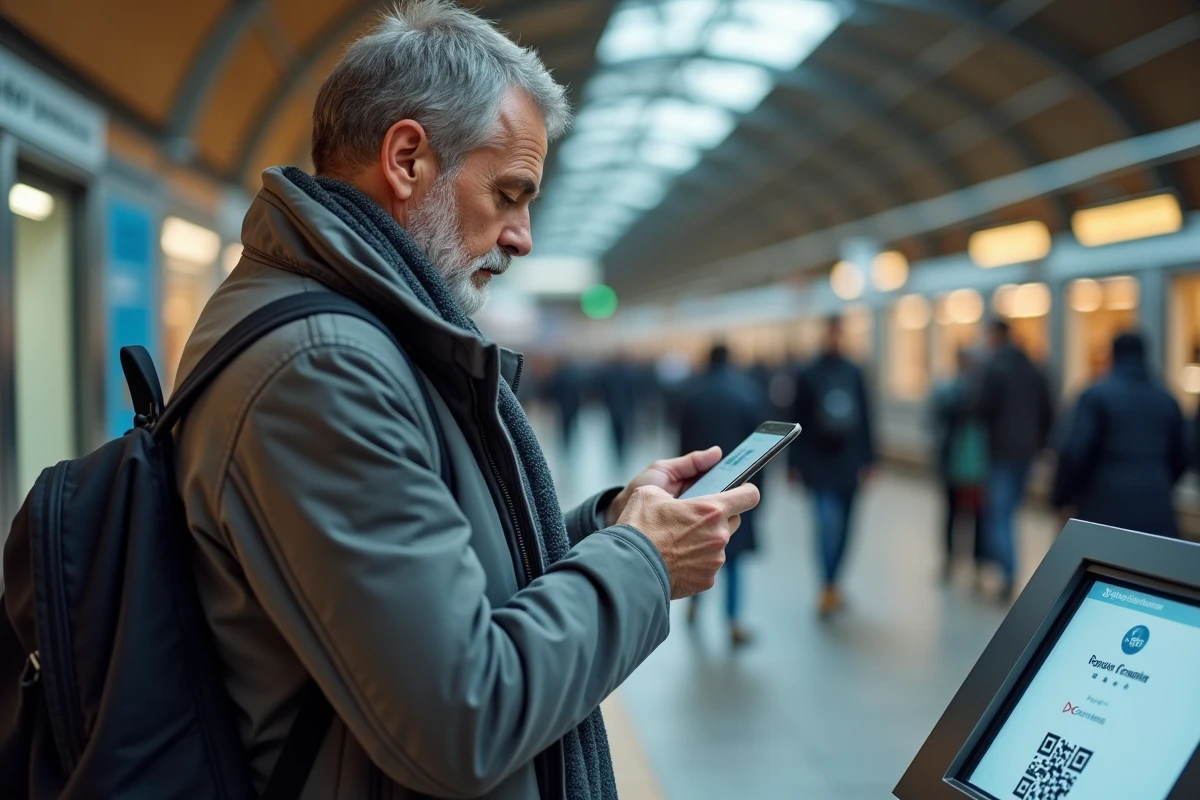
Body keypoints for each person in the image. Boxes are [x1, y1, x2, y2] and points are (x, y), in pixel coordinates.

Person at [171, 4, 760, 799]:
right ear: (408, 158)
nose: (521, 236)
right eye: (510, 194)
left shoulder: (370, 338)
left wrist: (611, 524)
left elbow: (450, 583)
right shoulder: (321, 372)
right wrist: (644, 564)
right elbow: (460, 715)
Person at [676, 344, 767, 647]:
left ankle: (694, 603)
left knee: (701, 550)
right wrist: (759, 493)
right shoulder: (747, 393)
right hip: (738, 487)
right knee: (735, 556)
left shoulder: (692, 394)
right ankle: (733, 622)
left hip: (701, 486)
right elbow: (760, 452)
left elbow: (682, 444)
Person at [1053, 332, 1186, 537]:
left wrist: (1061, 498)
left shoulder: (1095, 396)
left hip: (1102, 504)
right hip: (1156, 503)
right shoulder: (1167, 400)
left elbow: (1073, 452)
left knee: (1103, 563)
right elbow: (1183, 455)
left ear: (1112, 356)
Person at [789, 316, 876, 617]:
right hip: (818, 464)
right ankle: (826, 584)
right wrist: (794, 463)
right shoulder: (808, 373)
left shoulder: (855, 372)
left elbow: (867, 417)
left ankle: (834, 583)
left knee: (847, 528)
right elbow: (795, 420)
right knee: (827, 525)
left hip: (850, 463)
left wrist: (870, 460)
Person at [977, 319, 1054, 601]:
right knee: (1011, 511)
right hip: (1028, 452)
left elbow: (981, 409)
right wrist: (1042, 445)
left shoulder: (994, 368)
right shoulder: (1036, 369)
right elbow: (1049, 410)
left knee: (1000, 515)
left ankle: (1008, 572)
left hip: (1000, 452)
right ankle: (1004, 566)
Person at [930, 348, 989, 581]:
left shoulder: (960, 391)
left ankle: (967, 561)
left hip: (970, 466)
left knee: (967, 516)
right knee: (960, 515)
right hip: (964, 465)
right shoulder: (953, 391)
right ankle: (957, 560)